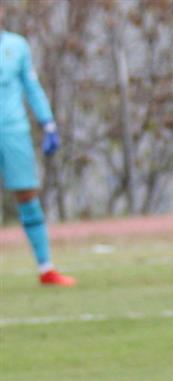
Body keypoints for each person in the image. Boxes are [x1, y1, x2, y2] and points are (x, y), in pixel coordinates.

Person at [0, 6, 74, 286]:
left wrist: (48, 123)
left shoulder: (17, 46)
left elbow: (31, 86)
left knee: (27, 194)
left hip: (13, 130)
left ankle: (46, 268)